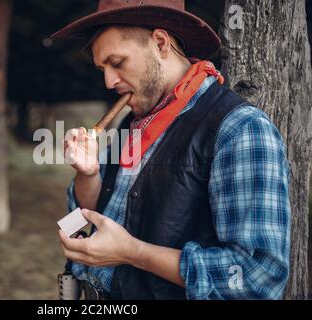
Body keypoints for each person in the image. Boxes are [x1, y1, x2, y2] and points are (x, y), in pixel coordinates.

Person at [51, 0, 291, 300]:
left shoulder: (239, 129)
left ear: (161, 43)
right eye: (102, 68)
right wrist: (87, 174)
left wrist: (132, 253)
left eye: (117, 62)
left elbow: (258, 278)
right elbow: (89, 219)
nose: (108, 81)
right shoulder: (133, 122)